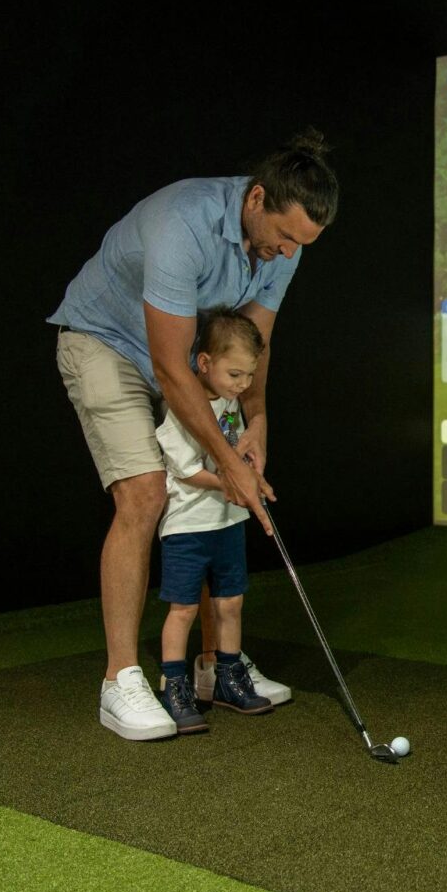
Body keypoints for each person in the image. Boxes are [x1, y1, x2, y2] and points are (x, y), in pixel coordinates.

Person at [50, 129, 338, 740]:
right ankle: (120, 680)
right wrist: (227, 459)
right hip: (108, 343)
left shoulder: (283, 249)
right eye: (285, 237)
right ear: (256, 199)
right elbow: (167, 367)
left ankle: (215, 667)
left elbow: (248, 352)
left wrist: (254, 427)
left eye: (303, 245)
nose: (289, 254)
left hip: (195, 361)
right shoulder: (184, 222)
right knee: (146, 493)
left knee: (217, 499)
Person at [155, 308, 274, 733]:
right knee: (184, 609)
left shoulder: (230, 403)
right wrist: (230, 480)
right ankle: (175, 685)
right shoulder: (181, 409)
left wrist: (251, 475)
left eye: (249, 376)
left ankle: (227, 678)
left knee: (231, 603)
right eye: (235, 375)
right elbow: (186, 470)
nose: (244, 386)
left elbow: (235, 454)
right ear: (204, 363)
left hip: (227, 523)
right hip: (188, 528)